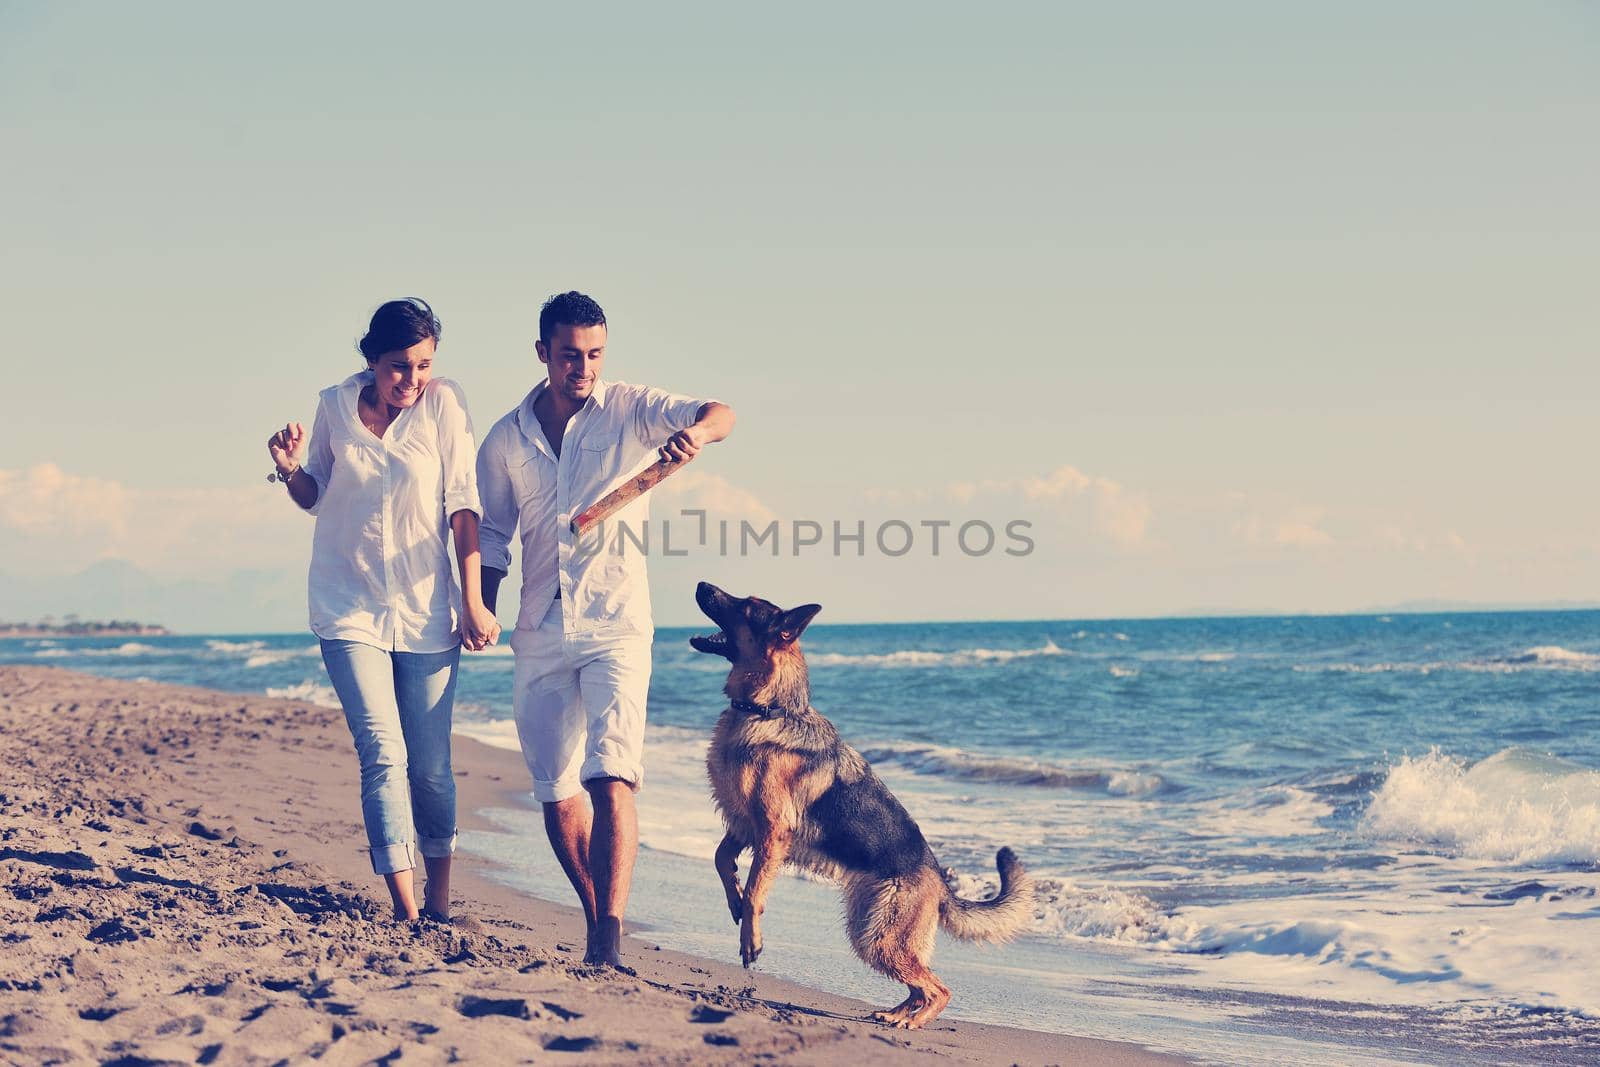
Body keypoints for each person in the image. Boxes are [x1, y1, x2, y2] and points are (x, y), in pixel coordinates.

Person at [476, 291, 735, 966]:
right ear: (542, 353)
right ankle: (597, 917)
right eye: (568, 355)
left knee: (610, 773)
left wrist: (697, 435)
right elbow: (495, 533)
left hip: (618, 622)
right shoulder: (506, 438)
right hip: (538, 629)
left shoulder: (628, 408)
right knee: (557, 791)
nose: (582, 368)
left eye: (593, 354)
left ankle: (607, 936)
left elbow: (720, 412)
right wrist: (481, 602)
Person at [265, 297, 500, 923]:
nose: (412, 380)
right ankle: (404, 908)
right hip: (349, 606)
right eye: (399, 366)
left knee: (430, 769)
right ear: (371, 360)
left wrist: (473, 600)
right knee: (381, 751)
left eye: (423, 365)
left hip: (427, 610)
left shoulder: (444, 405)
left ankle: (439, 895)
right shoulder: (333, 407)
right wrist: (288, 468)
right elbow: (314, 492)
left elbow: (463, 506)